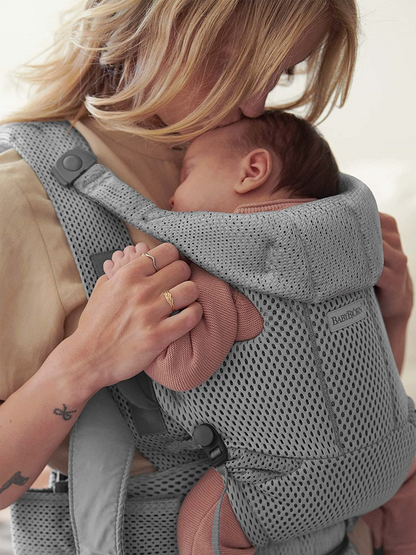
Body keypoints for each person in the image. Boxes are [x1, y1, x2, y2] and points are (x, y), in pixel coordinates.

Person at [0, 1, 413, 553]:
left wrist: (393, 314)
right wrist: (84, 362)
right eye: (237, 64)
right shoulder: (17, 198)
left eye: (281, 73)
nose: (255, 103)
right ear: (160, 22)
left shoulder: (264, 160)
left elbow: (329, 411)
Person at [100, 110, 416, 555]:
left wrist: (131, 289)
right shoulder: (355, 249)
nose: (171, 196)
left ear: (252, 171)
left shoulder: (219, 269)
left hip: (292, 481)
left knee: (201, 526)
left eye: (187, 174)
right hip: (395, 455)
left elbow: (181, 370)